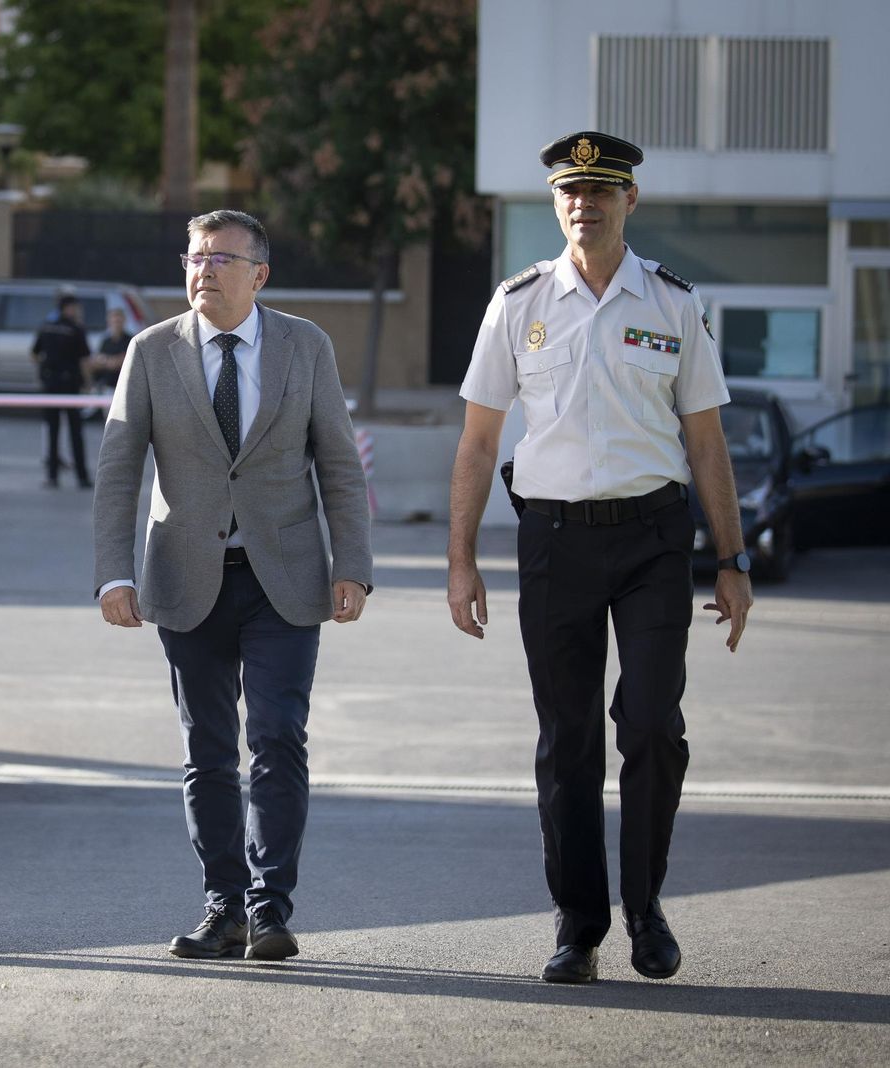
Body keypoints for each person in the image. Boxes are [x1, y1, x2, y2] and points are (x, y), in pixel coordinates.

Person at [446, 132, 753, 984]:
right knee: (567, 740)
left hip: (655, 539)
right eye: (570, 191)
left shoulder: (672, 303)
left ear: (630, 201)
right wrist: (460, 559)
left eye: (603, 189)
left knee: (652, 723)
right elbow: (478, 441)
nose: (585, 202)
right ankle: (578, 925)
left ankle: (646, 908)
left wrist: (734, 558)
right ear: (556, 203)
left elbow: (707, 441)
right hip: (551, 541)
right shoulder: (517, 302)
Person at [93, 209, 371, 962]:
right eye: (194, 257)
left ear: (260, 274)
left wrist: (354, 565)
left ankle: (270, 906)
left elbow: (338, 464)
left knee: (278, 738)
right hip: (186, 577)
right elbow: (120, 469)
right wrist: (113, 573)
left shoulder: (304, 347)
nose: (204, 270)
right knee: (207, 750)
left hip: (283, 579)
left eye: (221, 258)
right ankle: (223, 908)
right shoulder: (151, 352)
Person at [31, 293, 93, 488]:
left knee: (53, 431)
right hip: (70, 386)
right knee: (75, 432)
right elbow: (84, 360)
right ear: (68, 308)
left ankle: (52, 477)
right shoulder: (76, 329)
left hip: (50, 385)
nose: (77, 311)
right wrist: (88, 383)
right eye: (75, 307)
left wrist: (45, 370)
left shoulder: (46, 326)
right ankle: (82, 478)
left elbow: (34, 353)